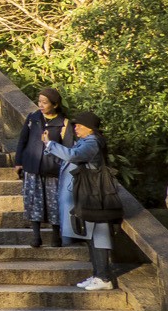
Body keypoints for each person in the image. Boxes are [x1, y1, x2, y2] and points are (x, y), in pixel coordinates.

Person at [45, 110, 118, 285]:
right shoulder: (85, 141)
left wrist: (50, 145)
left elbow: (73, 156)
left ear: (90, 128)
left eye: (79, 125)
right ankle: (97, 274)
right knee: (90, 235)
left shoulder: (92, 142)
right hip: (86, 194)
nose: (75, 127)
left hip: (93, 195)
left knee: (98, 235)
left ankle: (104, 278)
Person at [14, 88, 71, 249]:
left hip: (53, 169)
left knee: (54, 202)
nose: (41, 105)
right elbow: (22, 140)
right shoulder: (33, 118)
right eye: (39, 101)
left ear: (55, 104)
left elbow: (67, 147)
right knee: (33, 201)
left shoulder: (63, 123)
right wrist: (18, 162)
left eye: (44, 102)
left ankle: (55, 235)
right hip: (32, 166)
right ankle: (36, 236)